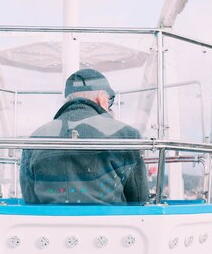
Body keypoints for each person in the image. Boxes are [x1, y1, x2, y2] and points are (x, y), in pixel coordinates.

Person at [20, 68, 149, 205]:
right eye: (109, 102)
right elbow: (138, 199)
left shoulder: (35, 138)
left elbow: (30, 198)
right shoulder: (127, 135)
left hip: (46, 225)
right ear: (101, 98)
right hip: (110, 224)